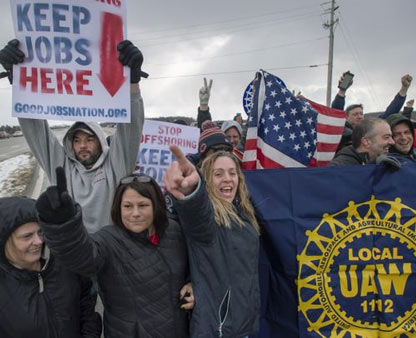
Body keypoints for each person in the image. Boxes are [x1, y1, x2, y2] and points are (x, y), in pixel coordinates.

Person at [0, 39, 145, 233]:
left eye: (89, 139)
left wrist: (132, 83)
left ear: (101, 142)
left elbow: (131, 127)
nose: (82, 145)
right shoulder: (62, 167)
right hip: (75, 252)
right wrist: (19, 80)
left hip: (112, 252)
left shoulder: (116, 164)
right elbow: (37, 133)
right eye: (77, 140)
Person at [35, 169, 192, 338]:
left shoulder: (174, 231)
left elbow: (193, 265)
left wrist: (192, 284)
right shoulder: (108, 239)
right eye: (128, 206)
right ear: (118, 207)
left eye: (143, 205)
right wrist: (63, 224)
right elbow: (81, 256)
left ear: (156, 205)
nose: (135, 213)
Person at [164, 145, 260, 338]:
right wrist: (192, 190)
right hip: (217, 329)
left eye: (232, 173)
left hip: (244, 325)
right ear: (207, 180)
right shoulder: (208, 222)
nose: (227, 178)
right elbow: (196, 211)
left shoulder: (244, 214)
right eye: (218, 174)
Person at [0, 196, 102, 338]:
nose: (38, 241)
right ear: (6, 242)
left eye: (40, 232)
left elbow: (87, 306)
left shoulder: (63, 264)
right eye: (27, 236)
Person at [332, 73, 412, 152]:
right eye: (355, 114)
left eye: (361, 114)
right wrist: (342, 91)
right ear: (346, 117)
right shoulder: (341, 130)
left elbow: (390, 112)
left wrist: (404, 89)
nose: (359, 116)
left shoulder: (369, 128)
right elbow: (336, 113)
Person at [329, 117, 395, 166]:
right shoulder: (339, 169)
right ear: (366, 141)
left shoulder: (385, 162)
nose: (392, 142)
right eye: (386, 137)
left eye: (391, 137)